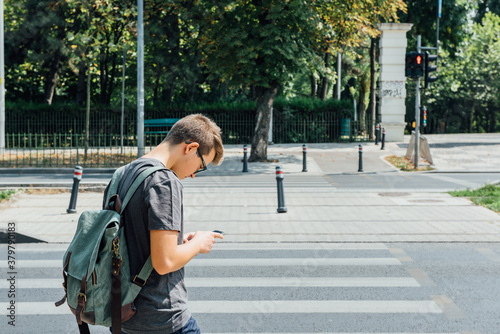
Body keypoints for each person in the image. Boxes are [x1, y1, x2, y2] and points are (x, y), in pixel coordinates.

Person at [104, 113, 224, 334]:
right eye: (201, 166)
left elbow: (129, 239)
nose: (194, 175)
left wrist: (179, 241)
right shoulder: (164, 181)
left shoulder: (122, 174)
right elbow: (165, 261)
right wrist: (198, 244)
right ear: (190, 148)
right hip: (161, 317)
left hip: (122, 314)